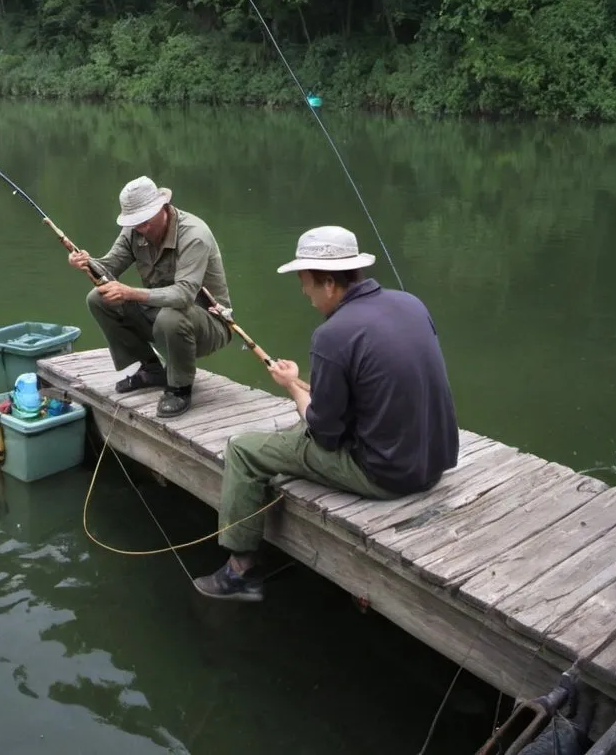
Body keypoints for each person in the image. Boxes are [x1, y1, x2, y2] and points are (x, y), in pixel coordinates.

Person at [193, 225, 459, 601]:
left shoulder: (332, 334)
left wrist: (291, 389)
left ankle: (241, 573)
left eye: (307, 283)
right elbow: (369, 387)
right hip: (434, 463)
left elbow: (323, 433)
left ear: (330, 283)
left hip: (387, 475)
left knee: (242, 450)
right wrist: (300, 381)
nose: (305, 293)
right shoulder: (411, 304)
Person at [67, 176, 233, 417]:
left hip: (209, 323)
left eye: (145, 221)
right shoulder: (134, 231)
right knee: (98, 298)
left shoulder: (194, 234)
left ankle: (180, 387)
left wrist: (129, 292)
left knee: (171, 317)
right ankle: (151, 368)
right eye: (135, 222)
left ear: (162, 208)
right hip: (161, 314)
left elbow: (184, 295)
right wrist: (84, 262)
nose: (140, 228)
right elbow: (108, 267)